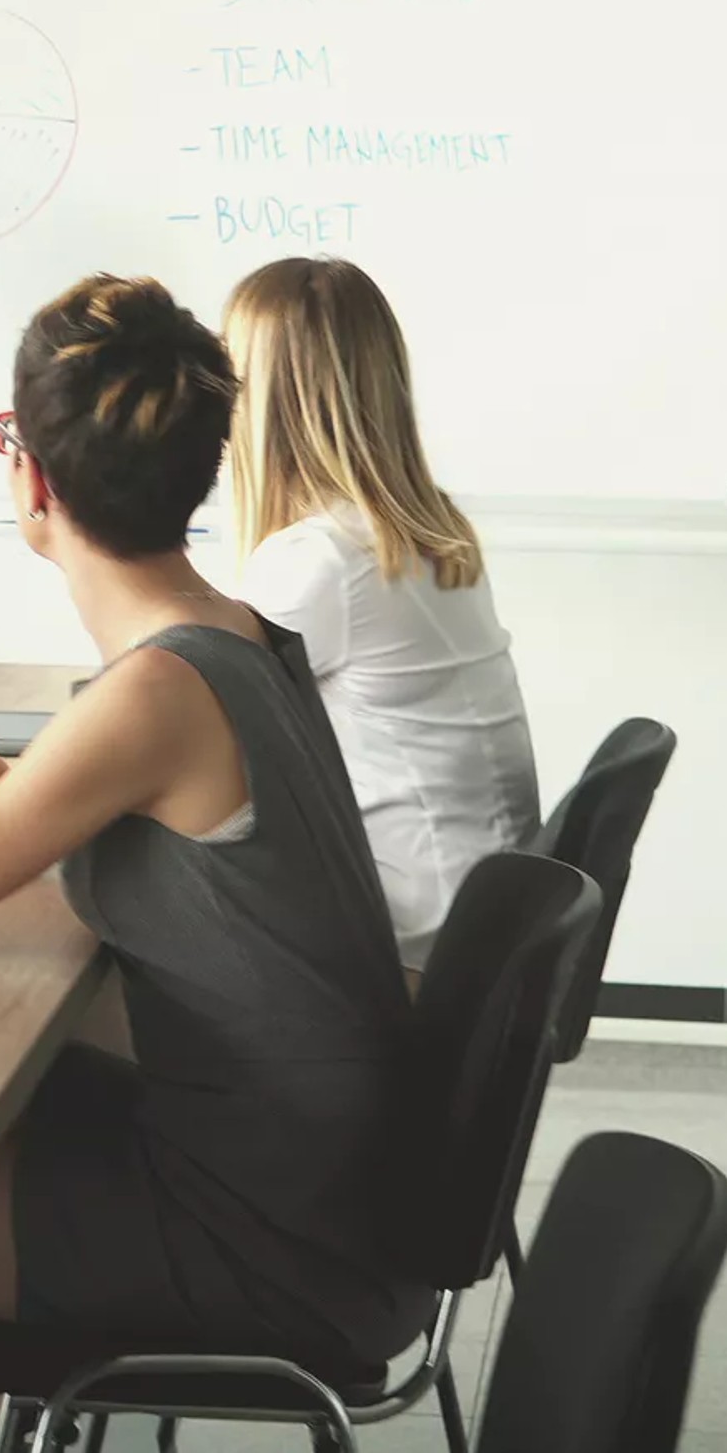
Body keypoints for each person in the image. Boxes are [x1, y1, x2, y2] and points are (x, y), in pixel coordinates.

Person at [0, 276, 429, 1453]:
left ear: (33, 479)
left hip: (269, 1241)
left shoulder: (157, 693)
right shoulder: (229, 638)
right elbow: (2, 833)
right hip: (327, 1194)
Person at [223, 258, 540, 970]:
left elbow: (199, 730)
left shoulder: (321, 561)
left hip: (418, 949)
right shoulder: (425, 532)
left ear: (255, 397)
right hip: (483, 925)